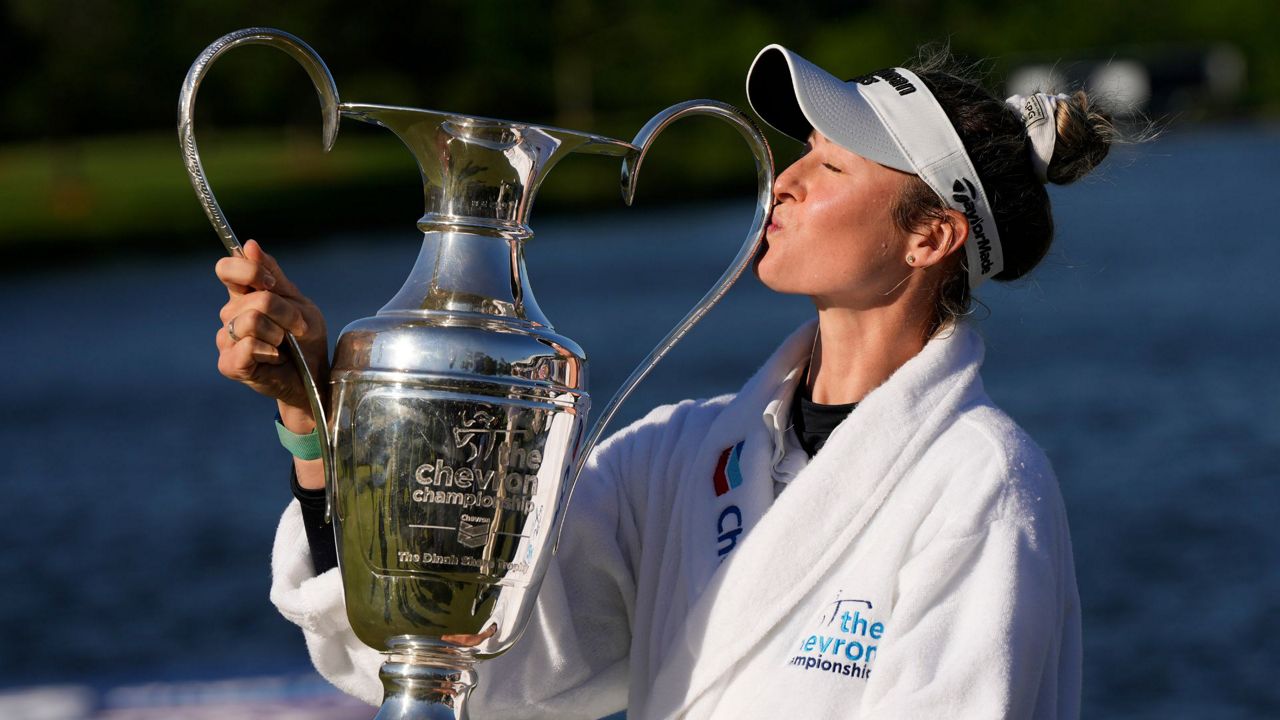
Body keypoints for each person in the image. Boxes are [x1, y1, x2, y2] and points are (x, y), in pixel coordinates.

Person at [214, 43, 1115, 719]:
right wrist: (320, 418)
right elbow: (474, 657)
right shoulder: (680, 455)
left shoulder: (981, 481)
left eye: (830, 165)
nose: (783, 182)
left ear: (929, 240)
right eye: (797, 151)